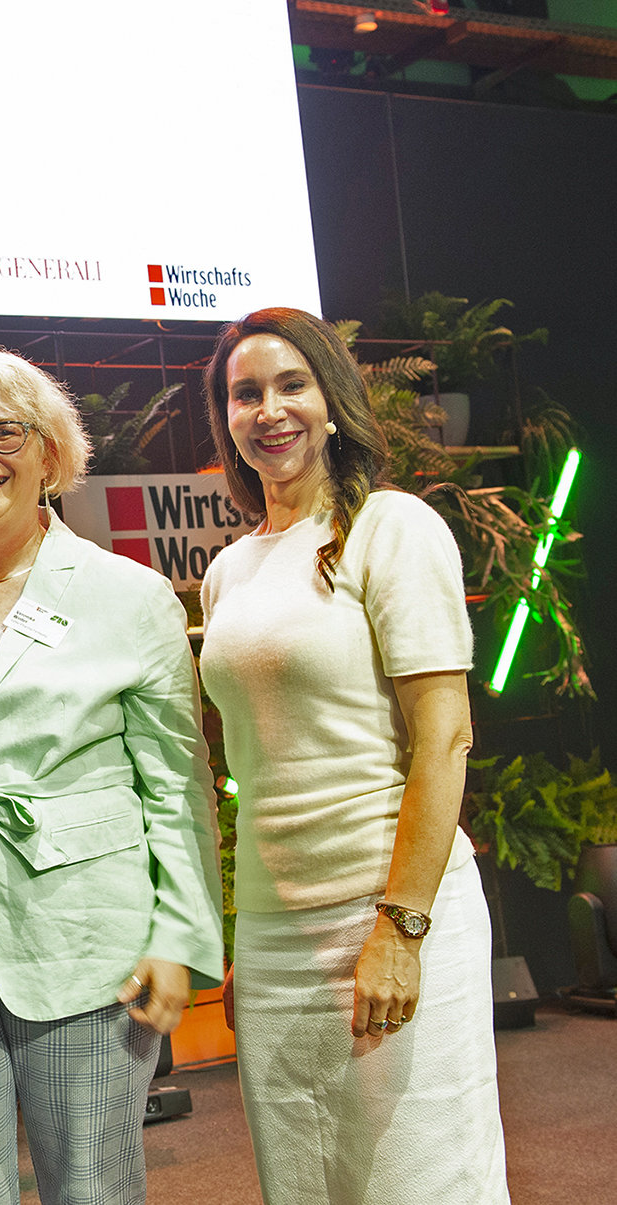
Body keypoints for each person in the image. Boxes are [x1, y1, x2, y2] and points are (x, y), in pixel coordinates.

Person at [0, 345, 223, 1205]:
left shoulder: (131, 596)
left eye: (5, 432)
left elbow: (177, 785)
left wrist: (177, 937)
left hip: (86, 943)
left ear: (50, 452)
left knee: (91, 1191)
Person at [198, 308, 509, 1204]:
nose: (269, 409)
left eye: (292, 384)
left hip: (389, 912)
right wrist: (239, 934)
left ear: (333, 401)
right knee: (307, 1182)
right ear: (226, 419)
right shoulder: (230, 571)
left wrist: (401, 929)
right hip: (273, 937)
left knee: (424, 1178)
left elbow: (444, 736)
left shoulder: (390, 528)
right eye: (245, 392)